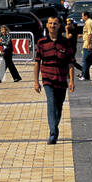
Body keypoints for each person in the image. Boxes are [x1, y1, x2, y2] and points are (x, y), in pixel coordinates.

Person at [34, 16, 76, 144]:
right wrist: (36, 81)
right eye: (50, 23)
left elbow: (71, 63)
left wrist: (72, 81)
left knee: (59, 106)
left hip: (62, 79)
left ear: (59, 26)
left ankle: (55, 127)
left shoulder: (66, 42)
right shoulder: (41, 42)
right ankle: (52, 133)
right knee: (51, 103)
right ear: (47, 25)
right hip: (47, 78)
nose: (53, 26)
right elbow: (37, 62)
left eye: (55, 24)